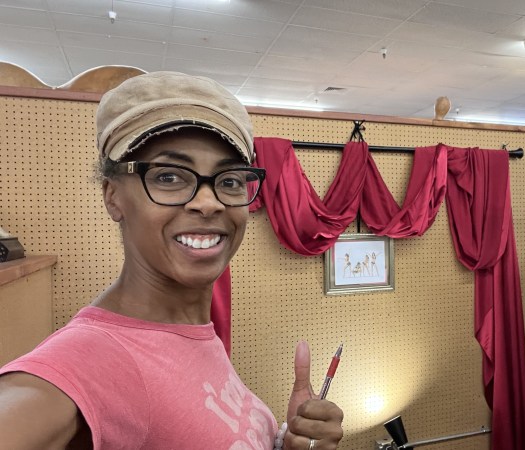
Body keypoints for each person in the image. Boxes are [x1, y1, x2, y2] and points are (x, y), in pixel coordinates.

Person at [0, 71, 344, 449]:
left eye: (229, 180)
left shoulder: (190, 329)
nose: (209, 202)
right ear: (113, 196)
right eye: (168, 176)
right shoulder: (89, 362)